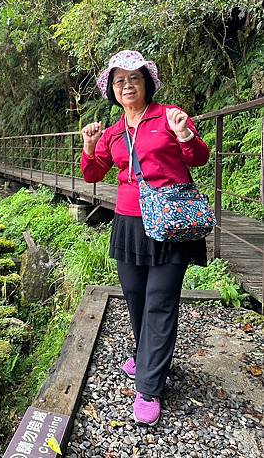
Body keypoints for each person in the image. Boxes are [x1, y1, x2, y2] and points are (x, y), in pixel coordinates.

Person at [81, 50, 210, 426]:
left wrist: (186, 133)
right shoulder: (112, 133)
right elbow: (92, 174)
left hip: (171, 221)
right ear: (112, 90)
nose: (126, 85)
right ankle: (146, 354)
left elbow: (198, 156)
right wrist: (89, 147)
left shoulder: (169, 116)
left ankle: (149, 386)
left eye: (133, 78)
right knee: (135, 295)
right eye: (119, 80)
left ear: (146, 83)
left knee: (159, 301)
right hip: (129, 221)